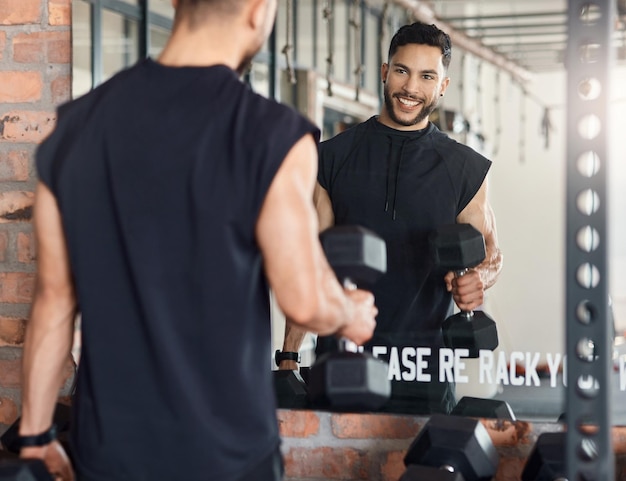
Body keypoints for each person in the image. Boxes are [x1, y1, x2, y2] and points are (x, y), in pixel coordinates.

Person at [17, 1, 378, 480]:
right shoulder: (273, 135)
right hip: (224, 457)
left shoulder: (74, 129)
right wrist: (350, 313)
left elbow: (53, 302)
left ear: (176, 4)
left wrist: (36, 436)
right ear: (258, 10)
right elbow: (305, 300)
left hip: (108, 455)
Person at [277, 21, 503, 414]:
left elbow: (491, 253)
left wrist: (477, 278)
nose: (410, 88)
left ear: (442, 86)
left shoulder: (465, 168)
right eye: (401, 71)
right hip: (345, 367)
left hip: (426, 372)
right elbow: (313, 263)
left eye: (426, 76)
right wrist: (289, 358)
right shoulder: (332, 158)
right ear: (385, 72)